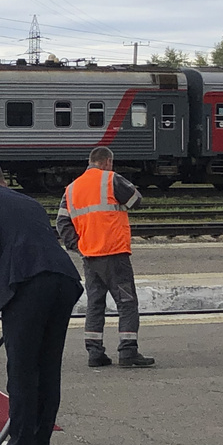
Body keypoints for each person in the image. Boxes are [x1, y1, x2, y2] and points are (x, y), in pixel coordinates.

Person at [0, 161, 83, 445]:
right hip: (64, 280)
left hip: (27, 284)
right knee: (47, 367)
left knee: (21, 368)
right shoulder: (30, 202)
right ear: (3, 181)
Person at [56, 146, 154, 367]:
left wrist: (79, 246)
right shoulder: (111, 179)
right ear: (107, 162)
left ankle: (94, 352)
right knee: (127, 301)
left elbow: (61, 222)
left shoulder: (71, 188)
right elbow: (136, 200)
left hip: (90, 256)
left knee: (95, 303)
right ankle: (128, 351)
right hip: (114, 253)